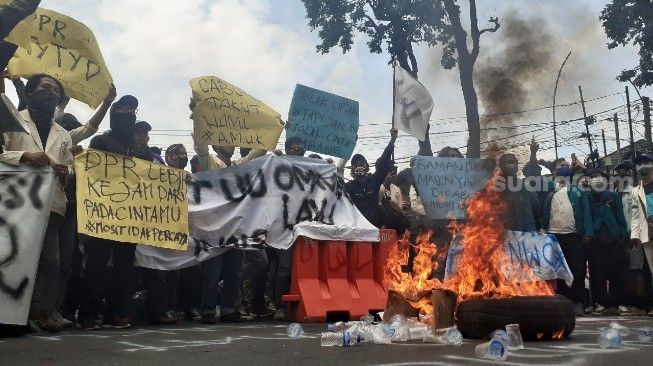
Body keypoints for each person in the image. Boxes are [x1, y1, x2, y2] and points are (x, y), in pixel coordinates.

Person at [0, 74, 73, 331]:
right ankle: (12, 313)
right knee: (14, 256)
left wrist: (68, 173)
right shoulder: (11, 121)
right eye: (45, 88)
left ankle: (45, 313)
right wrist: (23, 156)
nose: (51, 93)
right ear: (29, 93)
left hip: (50, 204)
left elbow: (71, 167)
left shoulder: (63, 134)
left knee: (50, 261)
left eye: (55, 91)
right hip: (15, 204)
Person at [77, 94, 140, 330]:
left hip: (130, 215)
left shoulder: (138, 147)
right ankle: (87, 314)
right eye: (124, 110)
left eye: (133, 110)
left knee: (124, 267)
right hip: (103, 213)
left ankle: (117, 313)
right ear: (114, 115)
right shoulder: (100, 142)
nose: (129, 114)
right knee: (97, 265)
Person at [542, 158, 594, 316]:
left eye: (566, 167)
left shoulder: (577, 192)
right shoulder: (550, 191)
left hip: (573, 236)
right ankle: (562, 302)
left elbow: (586, 213)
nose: (563, 171)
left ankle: (577, 302)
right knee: (557, 271)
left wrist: (587, 232)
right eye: (560, 168)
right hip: (554, 236)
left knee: (576, 269)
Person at [585, 168, 629, 315]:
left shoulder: (613, 195)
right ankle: (601, 303)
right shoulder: (586, 197)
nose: (596, 179)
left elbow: (620, 216)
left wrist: (622, 234)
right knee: (597, 273)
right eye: (593, 177)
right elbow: (587, 217)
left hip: (614, 238)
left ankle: (617, 304)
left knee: (618, 272)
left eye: (599, 177)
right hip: (595, 240)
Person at [345, 128, 398, 228]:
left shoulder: (374, 180)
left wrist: (392, 141)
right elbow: (337, 175)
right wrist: (350, 145)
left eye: (361, 162)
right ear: (351, 170)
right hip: (358, 229)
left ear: (367, 166)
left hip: (376, 229)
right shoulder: (348, 187)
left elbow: (383, 161)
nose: (359, 164)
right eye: (355, 164)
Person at [629, 153, 653, 317]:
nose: (642, 166)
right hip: (647, 234)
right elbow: (635, 215)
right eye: (639, 164)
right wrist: (635, 236)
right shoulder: (636, 191)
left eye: (646, 162)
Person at [497, 153, 536, 232]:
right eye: (510, 162)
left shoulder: (523, 186)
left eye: (516, 163)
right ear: (501, 166)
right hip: (501, 235)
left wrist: (532, 231)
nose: (514, 165)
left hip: (522, 234)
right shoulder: (494, 187)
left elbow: (529, 211)